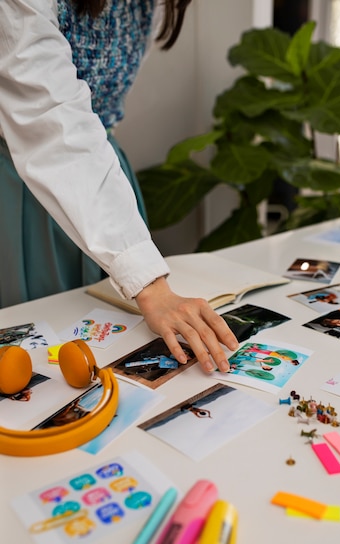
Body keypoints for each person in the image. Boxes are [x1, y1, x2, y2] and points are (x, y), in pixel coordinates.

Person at [0, 0, 238, 374]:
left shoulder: (151, 5)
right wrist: (150, 286)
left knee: (111, 353)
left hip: (105, 182)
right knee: (37, 362)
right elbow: (52, 121)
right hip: (21, 191)